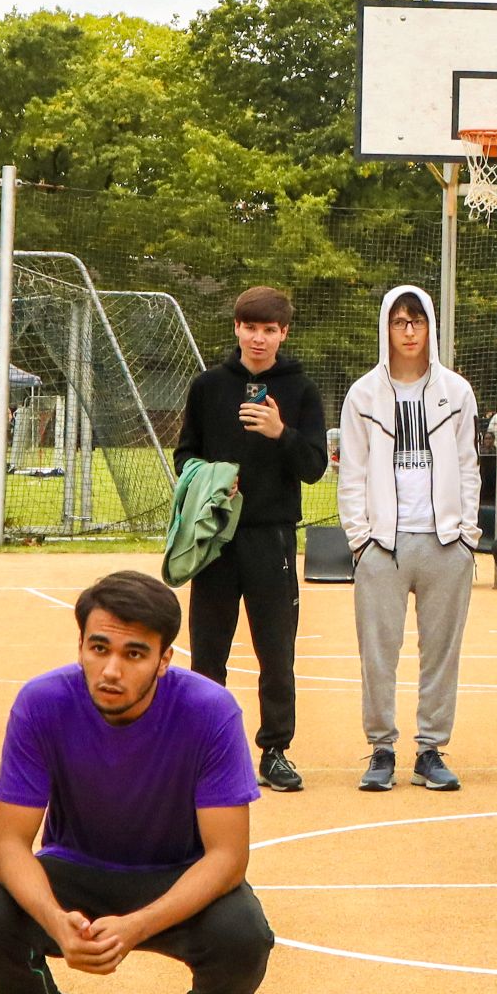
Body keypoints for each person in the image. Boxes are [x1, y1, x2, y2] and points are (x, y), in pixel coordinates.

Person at [0, 570, 272, 994]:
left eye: (135, 653)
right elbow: (9, 844)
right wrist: (55, 920)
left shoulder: (210, 711)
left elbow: (227, 857)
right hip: (77, 871)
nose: (111, 670)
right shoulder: (42, 703)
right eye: (98, 648)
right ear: (80, 645)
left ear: (165, 659)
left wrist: (137, 926)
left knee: (244, 935)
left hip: (176, 873)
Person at [173, 285, 327, 793]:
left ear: (283, 333)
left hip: (272, 537)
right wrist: (210, 481)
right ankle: (203, 747)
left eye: (269, 329)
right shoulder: (208, 386)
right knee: (208, 648)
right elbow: (185, 457)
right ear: (236, 327)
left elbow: (313, 467)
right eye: (250, 327)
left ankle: (276, 749)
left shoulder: (300, 390)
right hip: (216, 538)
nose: (258, 338)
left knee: (276, 649)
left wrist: (280, 432)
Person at [336, 284, 480, 794]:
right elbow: (351, 472)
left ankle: (430, 749)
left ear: (431, 326)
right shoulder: (364, 394)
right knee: (378, 652)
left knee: (442, 652)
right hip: (383, 546)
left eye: (417, 321)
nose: (410, 331)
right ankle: (381, 748)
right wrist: (361, 539)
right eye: (400, 321)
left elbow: (467, 466)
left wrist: (465, 535)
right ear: (386, 328)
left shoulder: (456, 392)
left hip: (444, 544)